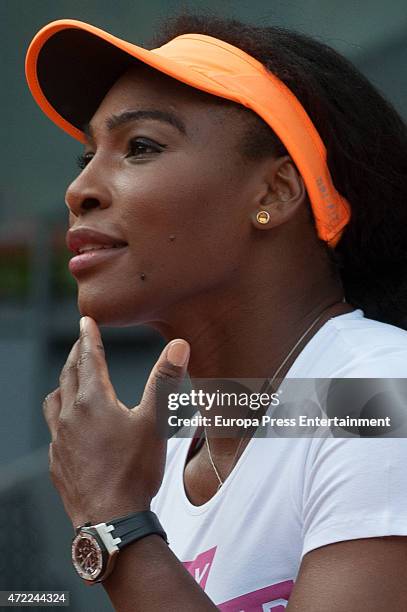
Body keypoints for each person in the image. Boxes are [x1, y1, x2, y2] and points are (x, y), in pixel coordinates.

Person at [26, 13, 407, 611]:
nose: (80, 191)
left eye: (141, 146)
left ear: (275, 193)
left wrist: (115, 519)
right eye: (85, 157)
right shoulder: (174, 449)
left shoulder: (381, 391)